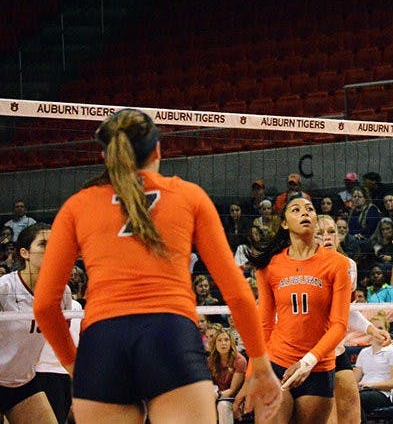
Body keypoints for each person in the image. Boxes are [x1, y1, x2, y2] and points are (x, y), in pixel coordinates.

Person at [32, 109, 282, 422]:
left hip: (103, 343)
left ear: (105, 156)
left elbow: (44, 305)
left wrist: (75, 366)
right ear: (158, 151)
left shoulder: (77, 206)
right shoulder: (189, 197)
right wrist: (261, 365)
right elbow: (238, 294)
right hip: (170, 337)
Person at [241, 194, 351, 423]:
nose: (305, 213)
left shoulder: (338, 264)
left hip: (317, 368)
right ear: (284, 223)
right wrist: (251, 375)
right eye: (296, 210)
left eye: (309, 209)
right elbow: (264, 324)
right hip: (277, 362)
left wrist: (307, 362)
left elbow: (339, 325)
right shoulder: (269, 266)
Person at [315, 214, 392, 424]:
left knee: (351, 403)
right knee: (329, 414)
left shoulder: (349, 266)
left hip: (336, 349)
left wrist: (372, 329)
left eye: (331, 232)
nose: (327, 237)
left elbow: (346, 310)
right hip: (311, 351)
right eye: (319, 233)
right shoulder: (302, 269)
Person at [1, 224, 71, 424]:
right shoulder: (5, 288)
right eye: (43, 244)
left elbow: (61, 342)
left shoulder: (62, 292)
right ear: (25, 253)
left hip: (23, 382)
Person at [35, 298, 82, 424]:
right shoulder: (42, 304)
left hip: (67, 372)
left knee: (62, 417)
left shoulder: (76, 306)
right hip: (45, 370)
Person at [353, 315, 393, 417]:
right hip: (363, 390)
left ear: (387, 330)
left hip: (382, 393)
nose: (378, 331)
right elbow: (354, 380)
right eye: (375, 328)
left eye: (380, 328)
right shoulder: (363, 352)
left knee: (356, 399)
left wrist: (371, 385)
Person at [207, 327, 247, 424]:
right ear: (215, 344)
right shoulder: (210, 360)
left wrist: (216, 395)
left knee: (223, 405)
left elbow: (233, 390)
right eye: (219, 340)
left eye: (226, 340)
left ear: (231, 342)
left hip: (235, 399)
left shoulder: (239, 360)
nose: (223, 343)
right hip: (217, 395)